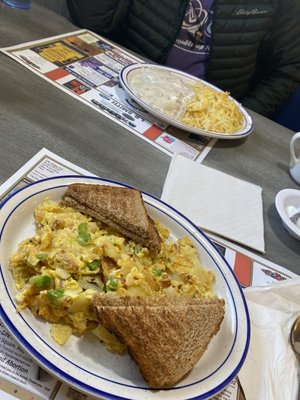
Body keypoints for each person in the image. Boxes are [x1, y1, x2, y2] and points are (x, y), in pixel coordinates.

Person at [67, 0, 300, 118]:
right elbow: (93, 20)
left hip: (209, 120)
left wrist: (237, 118)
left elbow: (287, 68)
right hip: (127, 94)